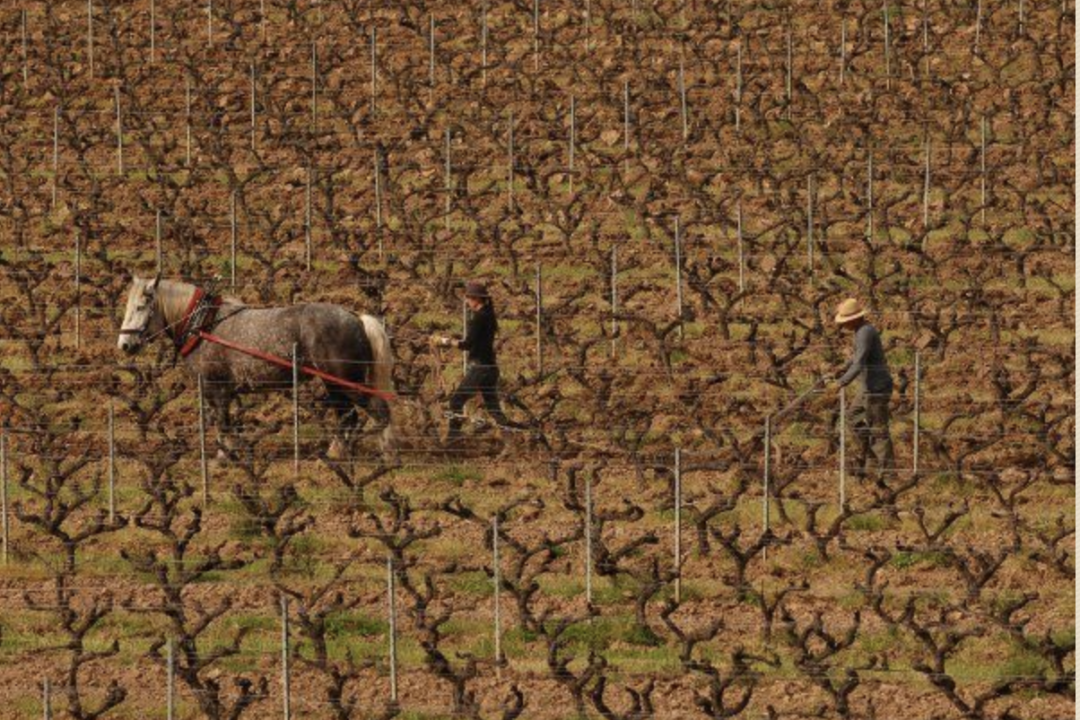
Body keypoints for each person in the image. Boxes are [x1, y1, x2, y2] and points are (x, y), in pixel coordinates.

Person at [434, 281, 516, 444]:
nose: (466, 302)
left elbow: (467, 344)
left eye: (468, 298)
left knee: (455, 401)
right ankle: (513, 438)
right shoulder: (489, 315)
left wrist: (444, 341)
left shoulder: (478, 318)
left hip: (480, 369)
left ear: (477, 298)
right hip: (491, 368)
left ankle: (454, 436)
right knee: (493, 408)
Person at [829, 298, 895, 480]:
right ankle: (871, 456)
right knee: (852, 417)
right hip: (867, 386)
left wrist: (841, 382)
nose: (843, 326)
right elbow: (857, 357)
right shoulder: (861, 331)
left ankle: (888, 472)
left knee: (878, 429)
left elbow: (859, 363)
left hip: (876, 387)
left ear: (854, 319)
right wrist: (843, 366)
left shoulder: (865, 332)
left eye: (845, 321)